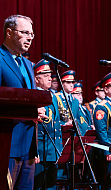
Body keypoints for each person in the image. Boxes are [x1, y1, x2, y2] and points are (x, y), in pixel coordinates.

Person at [0, 14, 47, 189]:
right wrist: (29, 111)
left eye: (32, 34)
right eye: (25, 33)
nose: (30, 38)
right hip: (6, 145)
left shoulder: (27, 64)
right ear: (9, 33)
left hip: (29, 147)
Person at [33, 59, 63, 190]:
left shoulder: (54, 96)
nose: (50, 79)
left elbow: (55, 123)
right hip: (40, 151)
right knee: (38, 185)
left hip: (54, 150)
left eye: (50, 75)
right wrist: (34, 151)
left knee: (51, 187)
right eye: (45, 76)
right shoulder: (34, 95)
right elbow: (32, 126)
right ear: (36, 79)